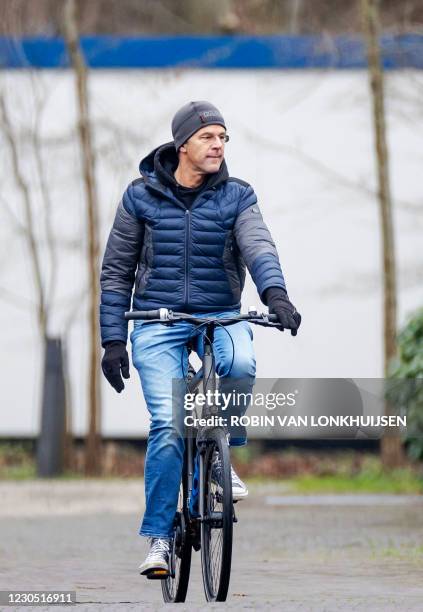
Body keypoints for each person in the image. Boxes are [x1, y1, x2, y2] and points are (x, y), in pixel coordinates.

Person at [99, 101, 301, 576]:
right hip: (156, 319)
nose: (218, 146)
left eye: (223, 138)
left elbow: (258, 246)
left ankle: (219, 454)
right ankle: (159, 538)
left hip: (220, 313)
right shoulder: (139, 197)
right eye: (209, 137)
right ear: (182, 144)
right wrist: (113, 341)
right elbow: (116, 272)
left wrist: (277, 295)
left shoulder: (237, 195)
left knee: (241, 364)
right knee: (168, 426)